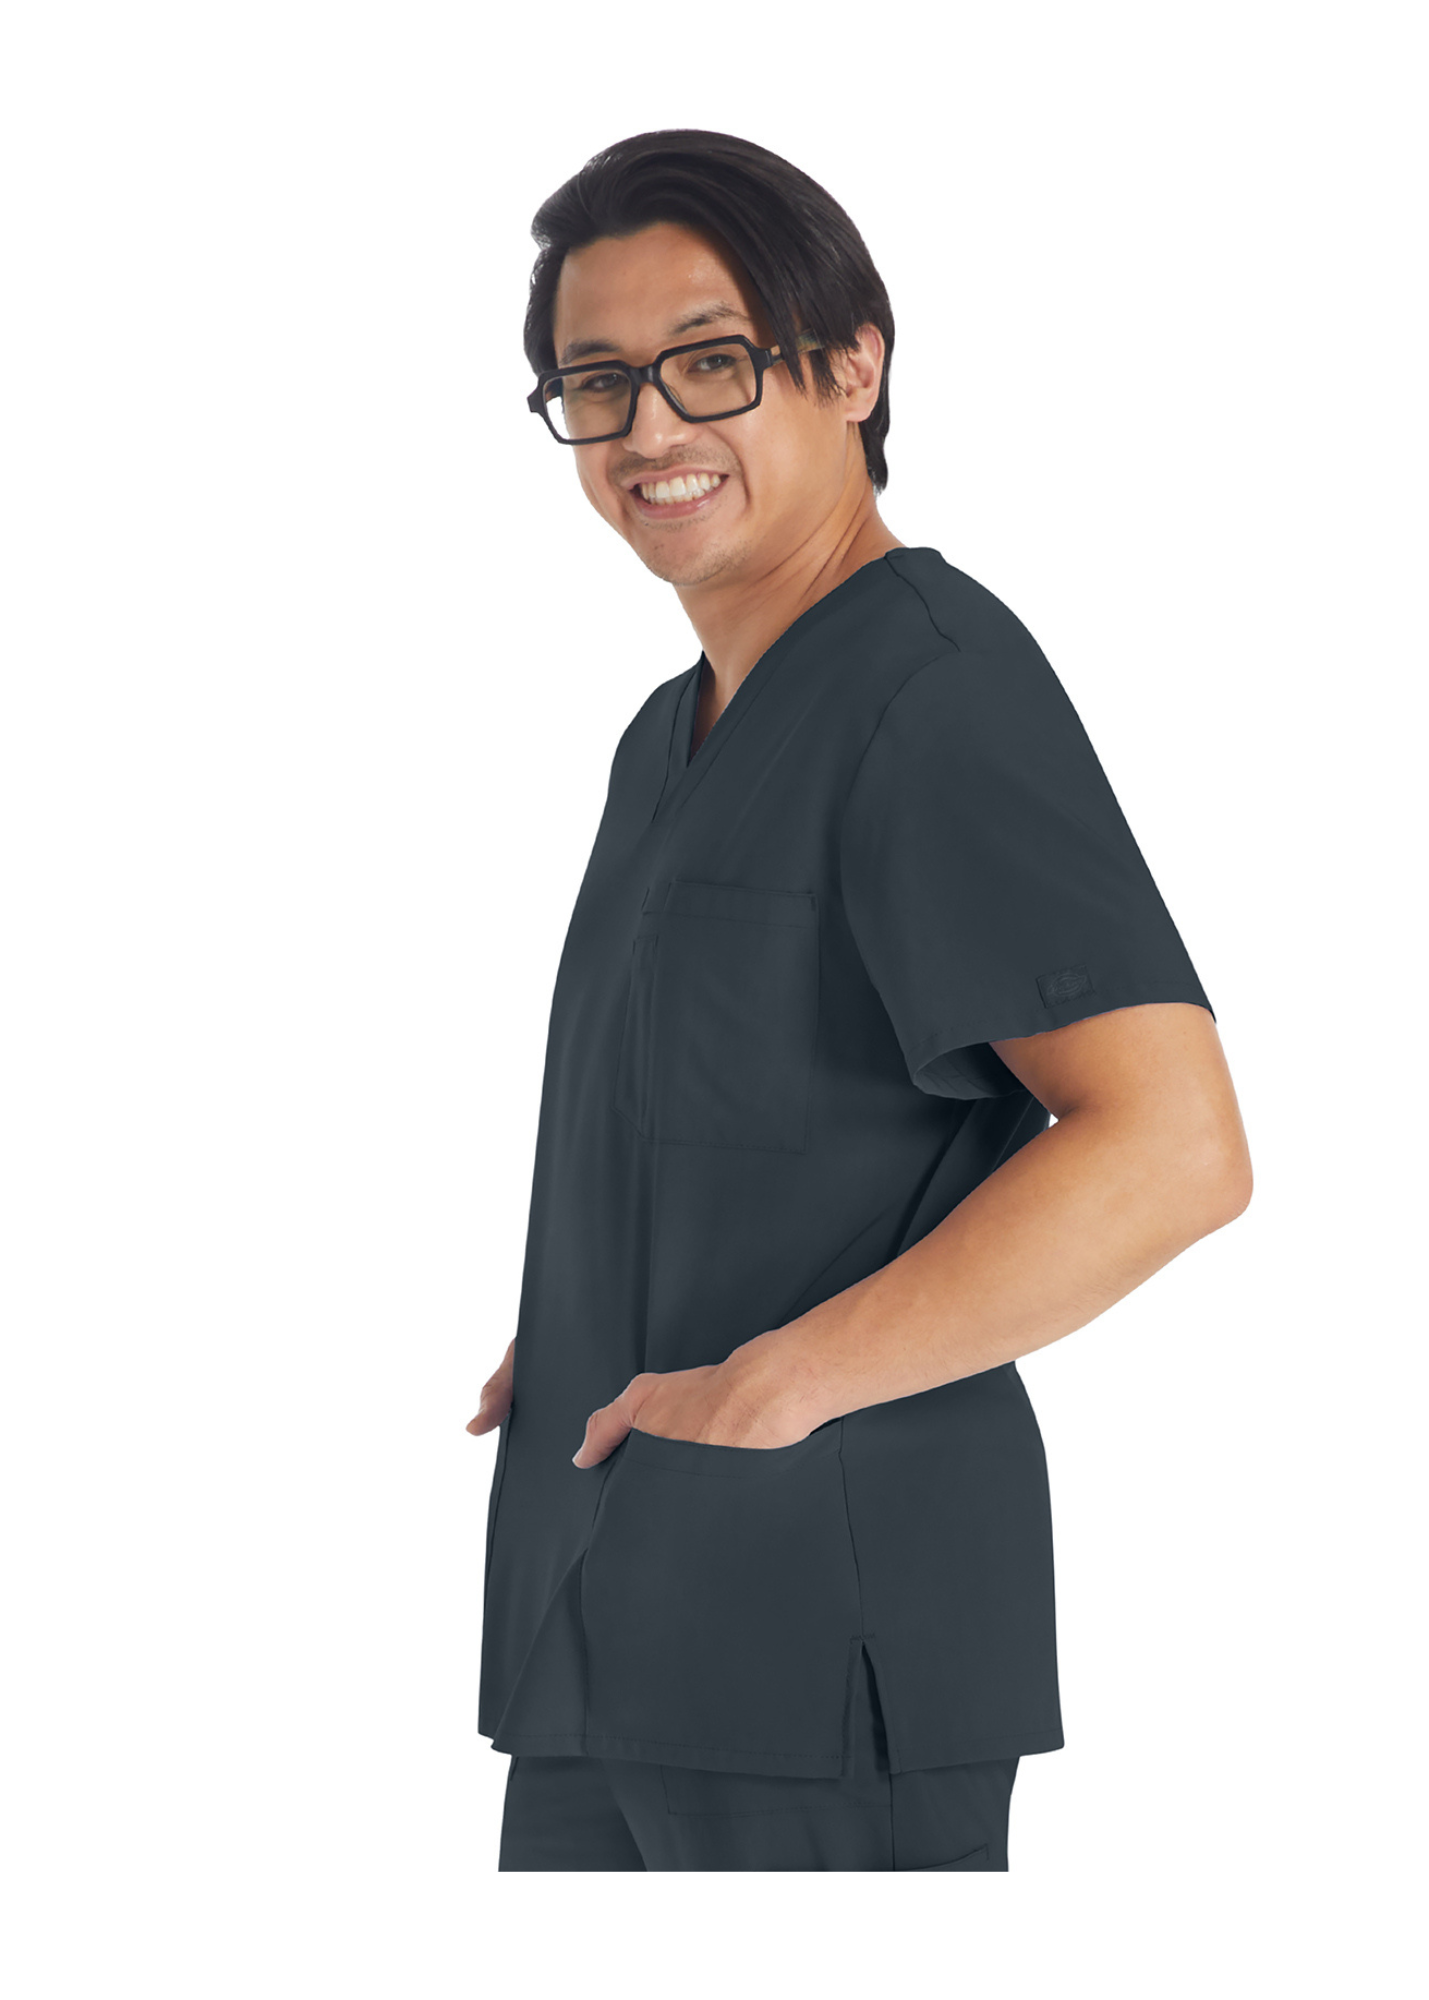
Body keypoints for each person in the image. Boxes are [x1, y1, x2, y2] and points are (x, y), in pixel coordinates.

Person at [466, 128, 1253, 1872]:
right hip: (601, 1620)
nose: (650, 430)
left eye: (711, 362)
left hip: (819, 1642)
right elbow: (752, 1100)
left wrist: (779, 1381)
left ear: (850, 368)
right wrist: (600, 1293)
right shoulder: (664, 740)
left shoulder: (932, 693)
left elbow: (1173, 1145)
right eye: (596, 383)